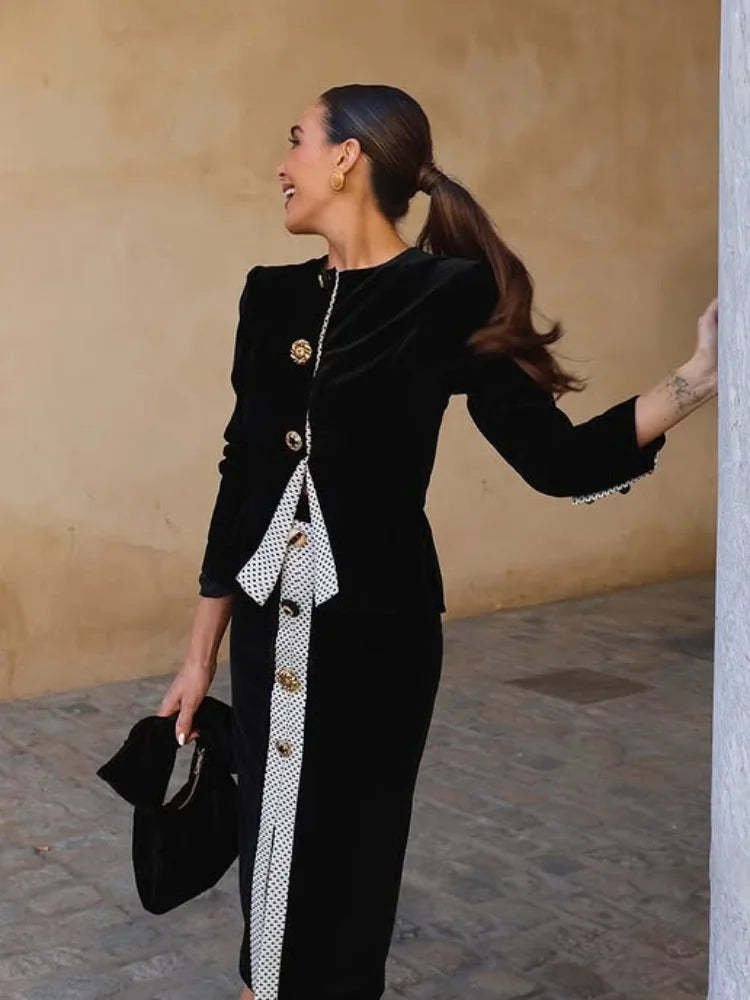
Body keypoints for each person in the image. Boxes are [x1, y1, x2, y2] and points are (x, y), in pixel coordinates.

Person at [156, 84, 718, 1000]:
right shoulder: (271, 297)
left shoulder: (445, 294)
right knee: (270, 848)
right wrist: (198, 655)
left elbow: (558, 460)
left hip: (377, 641)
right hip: (266, 631)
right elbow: (240, 477)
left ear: (347, 158)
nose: (282, 164)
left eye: (297, 141)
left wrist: (699, 376)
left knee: (348, 864)